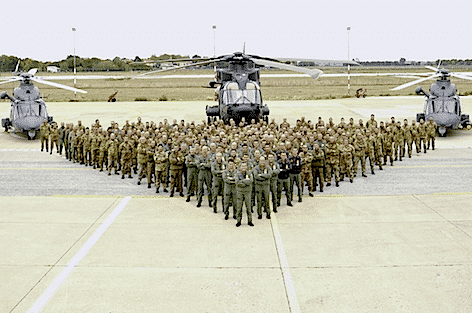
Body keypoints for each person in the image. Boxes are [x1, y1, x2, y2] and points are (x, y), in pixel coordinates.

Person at [235, 162, 254, 227]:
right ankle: (238, 221)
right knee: (239, 207)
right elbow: (237, 182)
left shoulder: (249, 173)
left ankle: (250, 221)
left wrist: (242, 181)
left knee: (248, 207)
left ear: (247, 167)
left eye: (245, 166)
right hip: (240, 192)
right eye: (242, 166)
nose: (243, 168)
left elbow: (250, 181)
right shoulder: (237, 174)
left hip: (247, 192)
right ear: (240, 167)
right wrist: (245, 182)